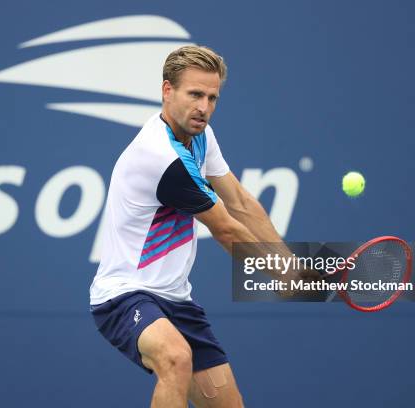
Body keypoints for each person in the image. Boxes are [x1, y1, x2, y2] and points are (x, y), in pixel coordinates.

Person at [89, 45, 307, 408]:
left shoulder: (201, 135)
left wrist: (289, 262)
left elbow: (240, 203)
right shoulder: (163, 157)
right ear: (166, 91)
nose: (204, 107)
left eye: (212, 97)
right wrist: (281, 273)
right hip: (123, 295)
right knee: (175, 358)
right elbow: (226, 229)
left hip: (177, 298)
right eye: (195, 95)